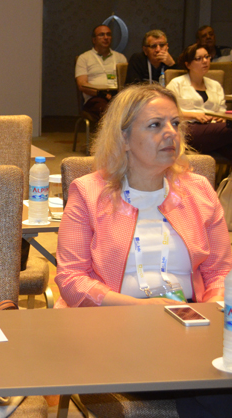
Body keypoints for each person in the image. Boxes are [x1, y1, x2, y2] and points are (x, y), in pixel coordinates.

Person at [55, 83, 230, 310]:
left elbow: (219, 272)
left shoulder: (199, 190)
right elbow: (71, 278)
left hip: (187, 312)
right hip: (113, 314)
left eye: (175, 123)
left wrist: (212, 311)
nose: (171, 132)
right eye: (155, 125)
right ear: (124, 139)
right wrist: (140, 309)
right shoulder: (88, 192)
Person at [166, 44, 232, 159]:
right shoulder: (176, 84)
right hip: (188, 128)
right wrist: (193, 115)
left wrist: (221, 117)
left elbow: (221, 110)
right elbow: (167, 112)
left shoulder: (215, 85)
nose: (205, 61)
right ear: (188, 64)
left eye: (207, 57)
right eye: (199, 58)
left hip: (215, 129)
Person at [75, 25, 128, 120]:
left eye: (108, 34)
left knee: (130, 108)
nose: (106, 37)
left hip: (116, 96)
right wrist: (101, 94)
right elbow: (82, 85)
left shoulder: (120, 58)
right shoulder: (84, 58)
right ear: (94, 40)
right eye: (101, 35)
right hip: (95, 98)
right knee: (106, 110)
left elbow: (125, 83)